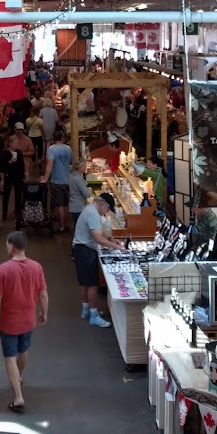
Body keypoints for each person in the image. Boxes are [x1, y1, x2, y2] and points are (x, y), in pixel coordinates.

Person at [0, 231, 48, 413]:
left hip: (9, 322)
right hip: (28, 320)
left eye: (6, 245)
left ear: (12, 247)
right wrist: (44, 313)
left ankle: (18, 397)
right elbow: (43, 294)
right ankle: (18, 377)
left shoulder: (4, 269)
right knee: (23, 350)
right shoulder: (37, 267)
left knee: (9, 357)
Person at [72, 192, 125, 327]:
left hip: (80, 248)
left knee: (85, 282)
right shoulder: (93, 213)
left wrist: (110, 238)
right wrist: (116, 247)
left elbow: (99, 233)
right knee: (93, 284)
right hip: (85, 250)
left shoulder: (90, 209)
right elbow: (97, 237)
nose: (106, 213)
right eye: (107, 209)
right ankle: (94, 315)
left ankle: (86, 310)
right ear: (103, 204)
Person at [42, 130, 73, 234]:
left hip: (56, 180)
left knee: (59, 204)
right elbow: (71, 162)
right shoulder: (68, 148)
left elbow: (50, 164)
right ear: (62, 137)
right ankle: (67, 224)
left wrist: (46, 178)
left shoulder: (52, 149)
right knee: (66, 204)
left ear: (53, 139)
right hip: (67, 180)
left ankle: (61, 226)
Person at [2, 134, 25, 223]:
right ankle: (4, 211)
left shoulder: (19, 153)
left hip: (18, 176)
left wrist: (23, 176)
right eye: (15, 144)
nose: (17, 145)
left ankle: (18, 212)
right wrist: (10, 162)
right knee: (6, 194)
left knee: (18, 195)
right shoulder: (5, 153)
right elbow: (3, 166)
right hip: (9, 176)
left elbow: (22, 165)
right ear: (10, 144)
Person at [68, 159, 92, 232]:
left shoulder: (72, 175)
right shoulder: (78, 179)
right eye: (85, 166)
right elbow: (87, 194)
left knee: (77, 225)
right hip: (79, 206)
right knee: (80, 228)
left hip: (73, 204)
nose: (86, 167)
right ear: (80, 168)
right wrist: (90, 189)